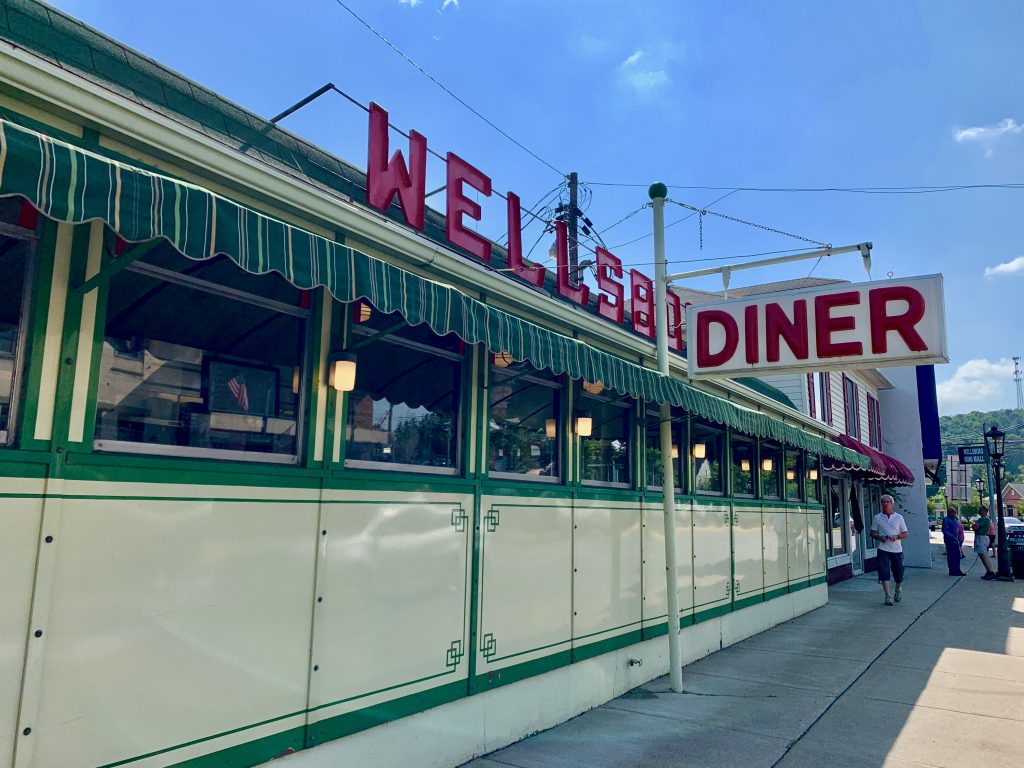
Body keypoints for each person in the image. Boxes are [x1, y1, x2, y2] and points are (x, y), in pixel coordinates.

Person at [870, 494, 908, 605]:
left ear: (892, 504)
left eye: (887, 502)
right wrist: (879, 537)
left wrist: (897, 537)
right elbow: (872, 533)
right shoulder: (877, 518)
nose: (885, 504)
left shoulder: (899, 517)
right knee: (884, 572)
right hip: (883, 549)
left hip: (896, 549)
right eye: (883, 502)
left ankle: (898, 588)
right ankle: (887, 596)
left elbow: (905, 533)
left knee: (899, 573)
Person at [972, 506, 997, 580]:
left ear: (985, 511)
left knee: (983, 555)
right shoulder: (982, 519)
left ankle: (990, 571)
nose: (979, 511)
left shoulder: (985, 519)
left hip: (982, 537)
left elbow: (975, 527)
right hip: (981, 537)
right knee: (981, 555)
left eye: (981, 510)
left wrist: (975, 525)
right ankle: (988, 571)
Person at [942, 507, 967, 576]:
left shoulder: (954, 519)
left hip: (956, 539)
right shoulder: (946, 520)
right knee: (951, 555)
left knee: (957, 555)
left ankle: (957, 569)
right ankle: (952, 570)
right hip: (950, 540)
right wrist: (952, 537)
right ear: (949, 512)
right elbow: (945, 530)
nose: (955, 514)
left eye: (955, 512)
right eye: (953, 512)